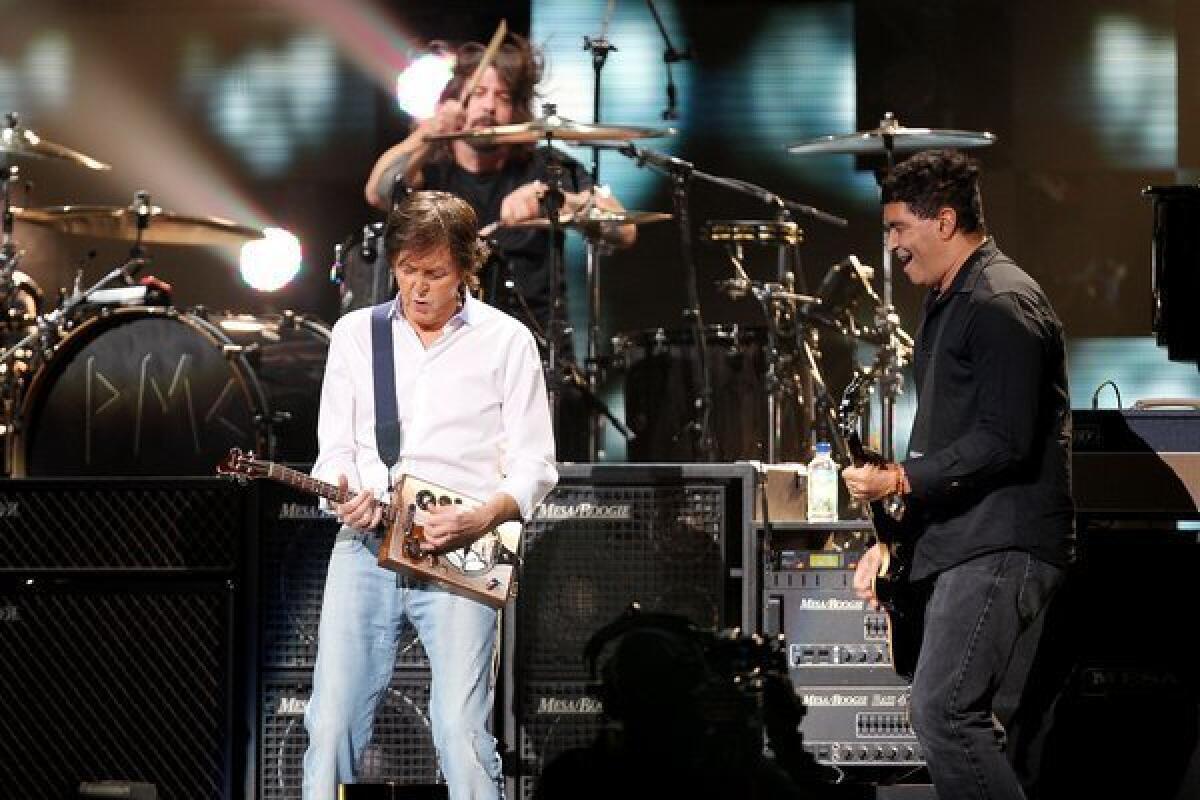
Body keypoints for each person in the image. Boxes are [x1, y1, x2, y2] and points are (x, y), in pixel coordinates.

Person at [303, 190, 558, 800]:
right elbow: (335, 450)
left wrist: (483, 515)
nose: (418, 289)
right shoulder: (356, 335)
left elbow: (535, 464)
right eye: (407, 271)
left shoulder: (507, 341)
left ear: (468, 269)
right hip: (365, 545)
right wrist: (345, 496)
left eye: (435, 274)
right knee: (330, 720)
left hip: (463, 555)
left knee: (460, 728)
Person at [841, 150, 1074, 800]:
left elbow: (1004, 440)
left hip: (1002, 543)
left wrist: (898, 482)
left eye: (898, 230)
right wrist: (891, 539)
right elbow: (950, 446)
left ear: (943, 221)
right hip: (971, 541)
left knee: (945, 713)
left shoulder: (1001, 301)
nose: (891, 248)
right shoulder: (948, 303)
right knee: (959, 717)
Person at [364, 33, 636, 341]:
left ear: (517, 110)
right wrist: (429, 131)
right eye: (479, 93)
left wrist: (556, 200)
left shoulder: (546, 166)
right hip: (445, 348)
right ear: (455, 101)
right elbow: (379, 192)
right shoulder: (431, 168)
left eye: (503, 97)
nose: (489, 106)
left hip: (534, 346)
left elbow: (624, 231)